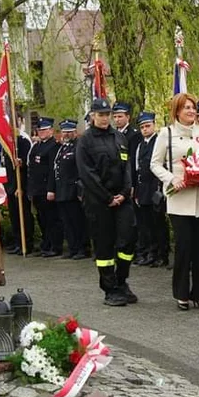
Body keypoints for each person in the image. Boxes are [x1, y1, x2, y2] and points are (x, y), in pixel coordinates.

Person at [151, 93, 199, 310]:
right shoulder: (165, 134)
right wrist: (173, 178)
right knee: (184, 247)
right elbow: (155, 164)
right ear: (177, 111)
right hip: (179, 198)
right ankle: (181, 294)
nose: (191, 111)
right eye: (186, 108)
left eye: (193, 107)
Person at [76, 98, 137, 306]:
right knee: (104, 247)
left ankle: (122, 280)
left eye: (107, 114)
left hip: (122, 199)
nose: (104, 118)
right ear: (92, 115)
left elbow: (127, 167)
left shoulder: (119, 137)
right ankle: (110, 288)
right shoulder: (85, 141)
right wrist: (107, 197)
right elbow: (87, 174)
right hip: (99, 201)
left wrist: (124, 192)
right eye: (100, 115)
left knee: (127, 240)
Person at [134, 111, 169, 268]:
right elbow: (137, 168)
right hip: (143, 189)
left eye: (148, 126)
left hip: (156, 189)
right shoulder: (141, 145)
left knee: (159, 224)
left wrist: (161, 189)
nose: (145, 129)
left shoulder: (158, 142)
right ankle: (151, 253)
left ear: (154, 125)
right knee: (146, 224)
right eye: (142, 127)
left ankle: (163, 254)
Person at [50, 119, 88, 260]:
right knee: (67, 222)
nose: (66, 134)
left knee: (77, 221)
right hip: (62, 191)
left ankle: (82, 248)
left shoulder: (78, 147)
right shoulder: (63, 148)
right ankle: (73, 248)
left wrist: (80, 190)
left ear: (75, 132)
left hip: (73, 191)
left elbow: (81, 170)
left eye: (69, 132)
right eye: (64, 132)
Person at [27, 117, 61, 257]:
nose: (41, 132)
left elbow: (53, 170)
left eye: (44, 130)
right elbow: (32, 169)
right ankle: (46, 244)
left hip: (47, 188)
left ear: (51, 131)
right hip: (37, 189)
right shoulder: (37, 146)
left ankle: (55, 246)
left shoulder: (54, 146)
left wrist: (51, 189)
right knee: (42, 219)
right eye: (39, 130)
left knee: (52, 219)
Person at [3, 113, 33, 255]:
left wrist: (20, 187)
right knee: (14, 216)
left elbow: (27, 166)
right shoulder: (7, 144)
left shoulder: (23, 142)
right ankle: (17, 242)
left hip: (21, 186)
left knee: (24, 216)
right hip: (10, 186)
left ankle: (27, 242)